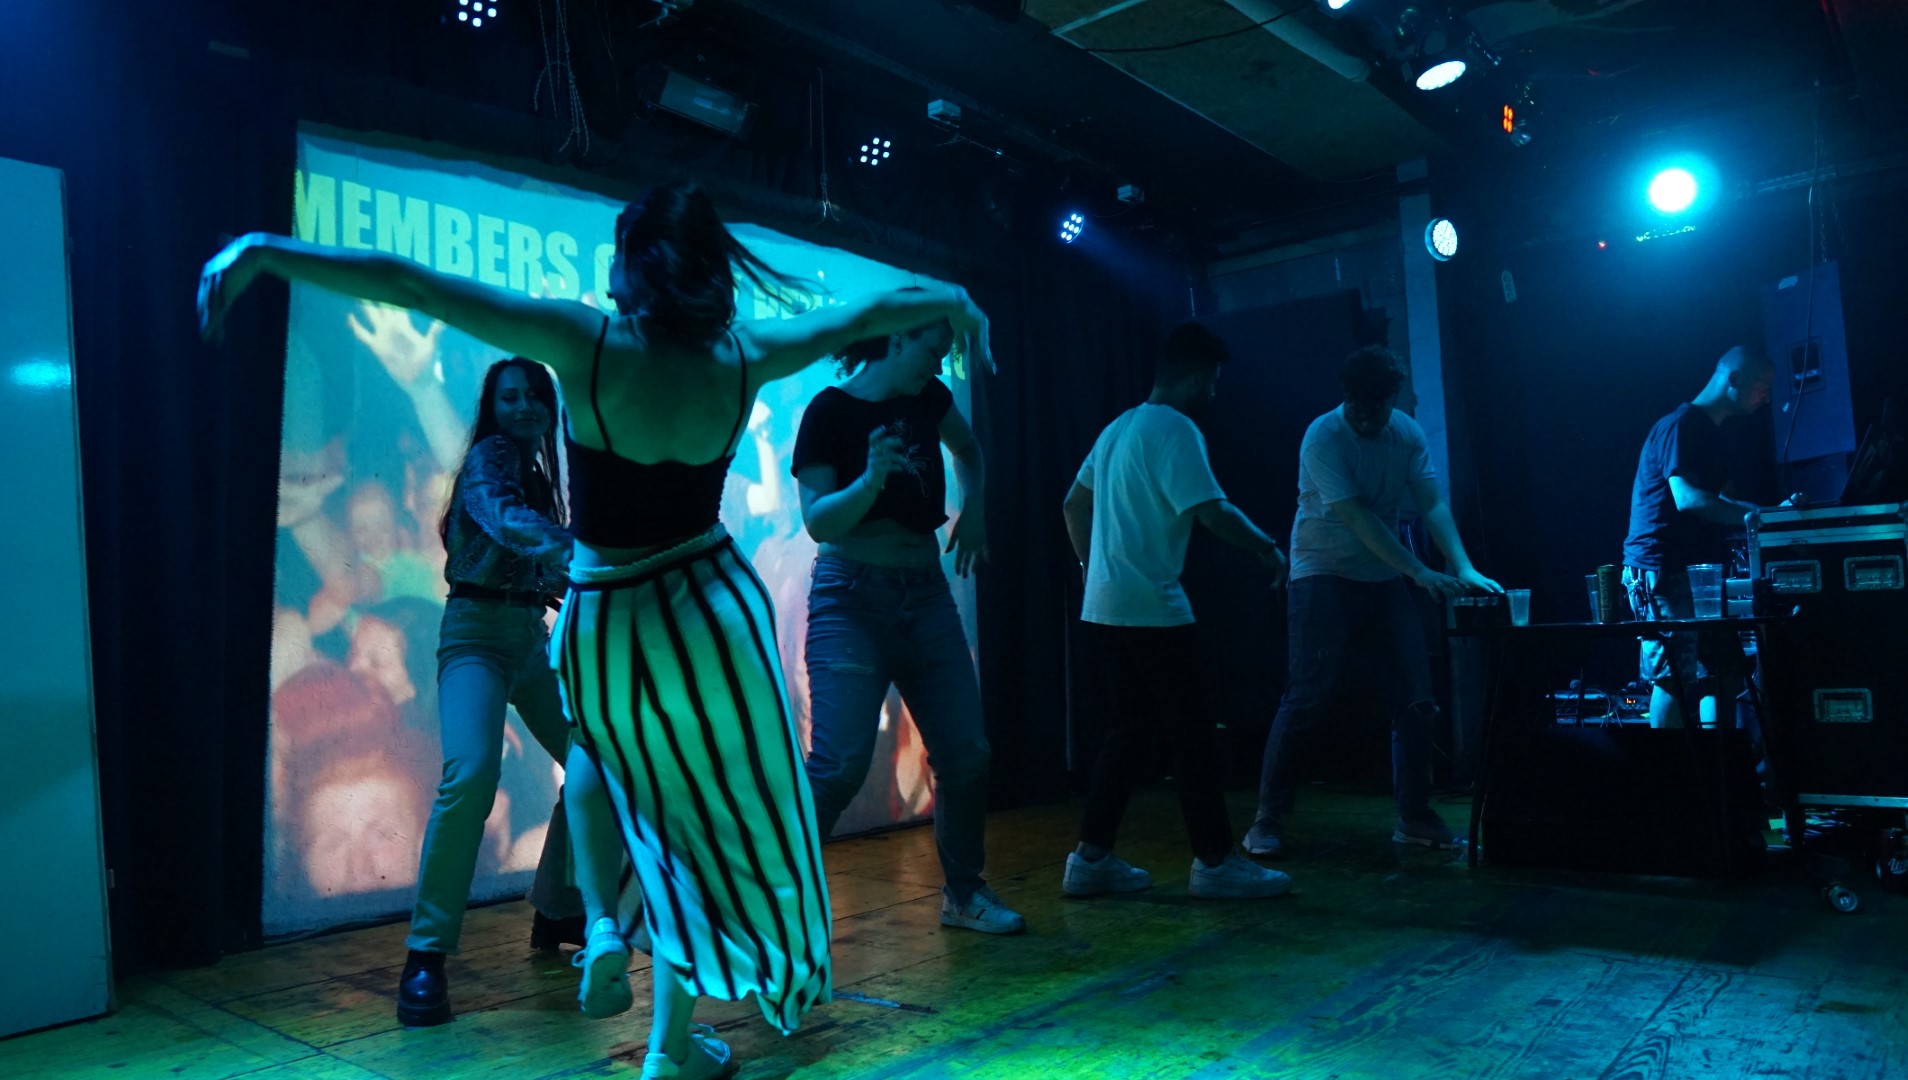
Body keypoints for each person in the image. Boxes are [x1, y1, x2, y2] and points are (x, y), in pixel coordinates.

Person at [200, 182, 994, 1080]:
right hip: (710, 613)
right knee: (697, 823)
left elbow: (412, 283)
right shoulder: (745, 355)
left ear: (635, 269)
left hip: (609, 611)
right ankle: (666, 1036)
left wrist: (265, 250)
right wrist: (958, 300)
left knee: (611, 779)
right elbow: (876, 311)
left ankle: (614, 939)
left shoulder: (587, 345)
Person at [791, 306, 1024, 935]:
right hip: (850, 599)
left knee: (966, 753)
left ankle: (964, 895)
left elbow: (968, 449)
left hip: (924, 594)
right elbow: (819, 522)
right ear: (897, 339)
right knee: (837, 767)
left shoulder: (928, 397)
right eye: (932, 350)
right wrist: (869, 481)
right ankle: (774, 910)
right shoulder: (829, 411)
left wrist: (975, 511)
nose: (939, 366)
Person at [1059, 321, 1294, 901]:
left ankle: (1090, 859)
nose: (1213, 392)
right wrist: (1267, 548)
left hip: (1106, 606)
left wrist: (1092, 568)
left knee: (1129, 731)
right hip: (1153, 607)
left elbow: (1072, 504)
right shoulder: (1174, 429)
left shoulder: (1118, 428)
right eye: (1212, 381)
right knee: (1191, 734)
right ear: (1194, 377)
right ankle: (1214, 863)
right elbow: (1213, 511)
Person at [1246, 346, 1500, 859]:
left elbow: (1430, 502)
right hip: (1321, 571)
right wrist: (1420, 571)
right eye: (1356, 408)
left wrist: (1463, 565)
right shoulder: (1324, 436)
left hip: (1382, 575)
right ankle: (1266, 818)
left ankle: (1414, 817)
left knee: (1416, 699)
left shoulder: (1406, 433)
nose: (1364, 419)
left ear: (1392, 399)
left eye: (1374, 409)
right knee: (1307, 695)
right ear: (1347, 397)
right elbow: (1359, 518)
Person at [397, 357, 584, 1025]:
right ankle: (425, 956)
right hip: (474, 635)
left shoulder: (536, 473)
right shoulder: (491, 457)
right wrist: (581, 550)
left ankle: (558, 908)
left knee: (598, 762)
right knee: (472, 774)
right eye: (511, 397)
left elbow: (540, 570)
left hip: (527, 639)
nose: (525, 407)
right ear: (492, 407)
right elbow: (505, 523)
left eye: (536, 396)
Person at [1621, 345, 1778, 729]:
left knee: (1721, 673)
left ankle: (1716, 762)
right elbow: (1688, 498)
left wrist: (1777, 514)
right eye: (1762, 386)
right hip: (1664, 568)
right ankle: (1669, 765)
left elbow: (1725, 498)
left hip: (1698, 571)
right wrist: (1756, 517)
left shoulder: (1710, 432)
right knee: (1673, 676)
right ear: (1734, 379)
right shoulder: (1681, 425)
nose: (1766, 397)